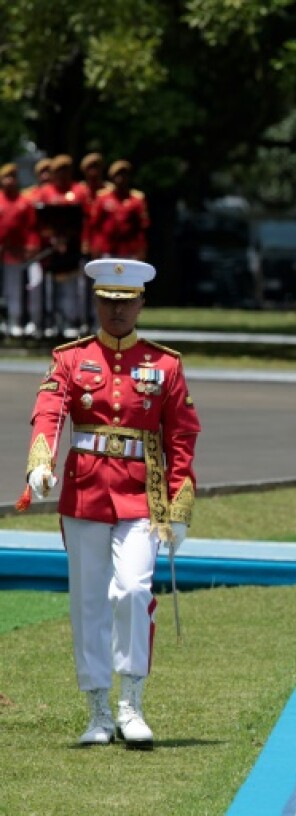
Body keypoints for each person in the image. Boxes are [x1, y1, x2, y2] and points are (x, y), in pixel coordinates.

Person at [24, 258, 201, 746]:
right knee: (88, 601)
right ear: (96, 302)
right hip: (84, 491)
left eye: (126, 303)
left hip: (143, 495)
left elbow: (182, 436)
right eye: (108, 301)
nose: (116, 311)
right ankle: (98, 711)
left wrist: (179, 505)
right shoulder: (70, 358)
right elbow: (48, 410)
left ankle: (132, 704)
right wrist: (41, 460)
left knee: (132, 590)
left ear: (141, 303)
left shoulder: (165, 364)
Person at [29, 154, 90, 337]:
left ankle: (70, 321)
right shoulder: (45, 192)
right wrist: (52, 239)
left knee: (71, 287)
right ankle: (48, 322)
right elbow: (37, 222)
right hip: (49, 248)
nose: (62, 174)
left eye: (66, 170)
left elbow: (86, 219)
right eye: (59, 171)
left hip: (72, 247)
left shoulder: (79, 190)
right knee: (45, 287)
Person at [0, 162, 40, 337]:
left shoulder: (25, 201)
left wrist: (31, 246)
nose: (10, 180)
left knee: (14, 288)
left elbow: (32, 227)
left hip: (16, 252)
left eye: (13, 177)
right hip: (1, 249)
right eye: (6, 177)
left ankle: (15, 321)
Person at [90, 161, 150, 260]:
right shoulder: (102, 197)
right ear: (112, 177)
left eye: (124, 174)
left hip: (130, 251)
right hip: (107, 249)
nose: (121, 178)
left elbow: (142, 228)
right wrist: (95, 247)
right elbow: (96, 225)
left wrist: (141, 250)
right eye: (118, 174)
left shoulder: (137, 199)